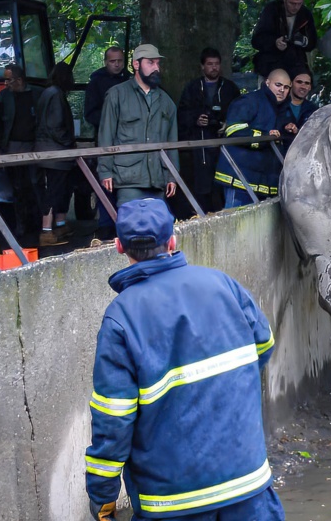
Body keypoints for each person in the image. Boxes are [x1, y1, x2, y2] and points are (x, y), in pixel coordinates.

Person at [84, 198, 284, 521]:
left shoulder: (120, 318)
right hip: (249, 488)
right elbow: (264, 345)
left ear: (119, 247)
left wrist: (102, 498)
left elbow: (112, 421)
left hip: (172, 503)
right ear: (173, 240)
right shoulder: (222, 285)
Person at [97, 44, 179, 206]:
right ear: (136, 64)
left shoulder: (166, 102)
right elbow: (106, 135)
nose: (156, 68)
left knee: (156, 227)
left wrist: (172, 176)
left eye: (158, 63)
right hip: (128, 178)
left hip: (157, 178)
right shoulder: (117, 95)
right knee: (131, 226)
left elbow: (172, 142)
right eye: (150, 63)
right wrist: (105, 170)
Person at [214, 69, 292, 208]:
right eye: (278, 85)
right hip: (239, 180)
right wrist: (264, 137)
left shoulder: (283, 110)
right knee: (235, 227)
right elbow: (233, 130)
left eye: (286, 87)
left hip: (265, 183)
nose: (282, 90)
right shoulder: (249, 101)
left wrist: (289, 132)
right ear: (267, 83)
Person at [177, 47, 241, 215]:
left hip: (224, 148)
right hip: (200, 150)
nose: (214, 68)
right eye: (210, 64)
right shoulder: (192, 88)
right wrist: (197, 119)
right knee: (202, 190)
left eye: (217, 64)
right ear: (202, 66)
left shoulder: (230, 88)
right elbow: (181, 114)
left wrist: (227, 123)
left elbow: (240, 112)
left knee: (222, 189)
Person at [0, 64, 42, 242]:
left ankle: (38, 225)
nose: (5, 83)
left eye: (9, 80)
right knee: (17, 189)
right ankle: (21, 226)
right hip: (12, 147)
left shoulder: (37, 95)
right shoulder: (4, 97)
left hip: (33, 147)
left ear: (19, 80)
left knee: (35, 186)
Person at [85, 47, 131, 239]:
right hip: (105, 140)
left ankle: (124, 222)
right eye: (113, 61)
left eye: (120, 60)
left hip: (128, 140)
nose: (117, 64)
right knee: (106, 180)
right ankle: (106, 223)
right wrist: (110, 122)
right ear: (106, 62)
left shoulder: (130, 81)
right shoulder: (96, 83)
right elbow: (90, 113)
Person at [34, 63, 77, 246]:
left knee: (56, 189)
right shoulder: (56, 94)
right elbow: (55, 125)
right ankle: (47, 232)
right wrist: (69, 142)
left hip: (46, 151)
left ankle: (57, 227)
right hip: (56, 154)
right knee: (55, 191)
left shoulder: (47, 93)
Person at [251, 0, 318, 81]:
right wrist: (275, 42)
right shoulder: (272, 10)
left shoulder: (305, 14)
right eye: (292, 3)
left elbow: (313, 42)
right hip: (270, 66)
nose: (295, 7)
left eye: (299, 4)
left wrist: (304, 42)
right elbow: (257, 40)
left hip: (295, 66)